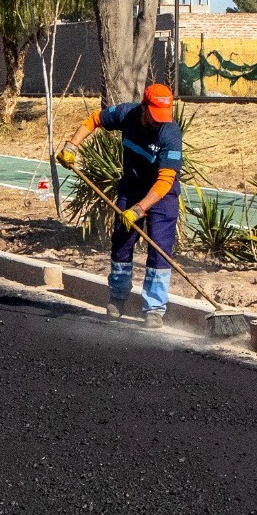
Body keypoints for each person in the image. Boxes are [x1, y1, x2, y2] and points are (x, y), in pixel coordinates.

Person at [57, 82, 182, 329]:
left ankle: (154, 309)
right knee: (122, 243)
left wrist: (140, 208)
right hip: (131, 187)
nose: (158, 122)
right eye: (154, 116)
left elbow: (166, 179)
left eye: (162, 117)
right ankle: (117, 298)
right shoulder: (126, 114)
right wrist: (72, 145)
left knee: (160, 249)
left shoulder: (170, 133)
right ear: (144, 108)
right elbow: (94, 120)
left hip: (161, 194)